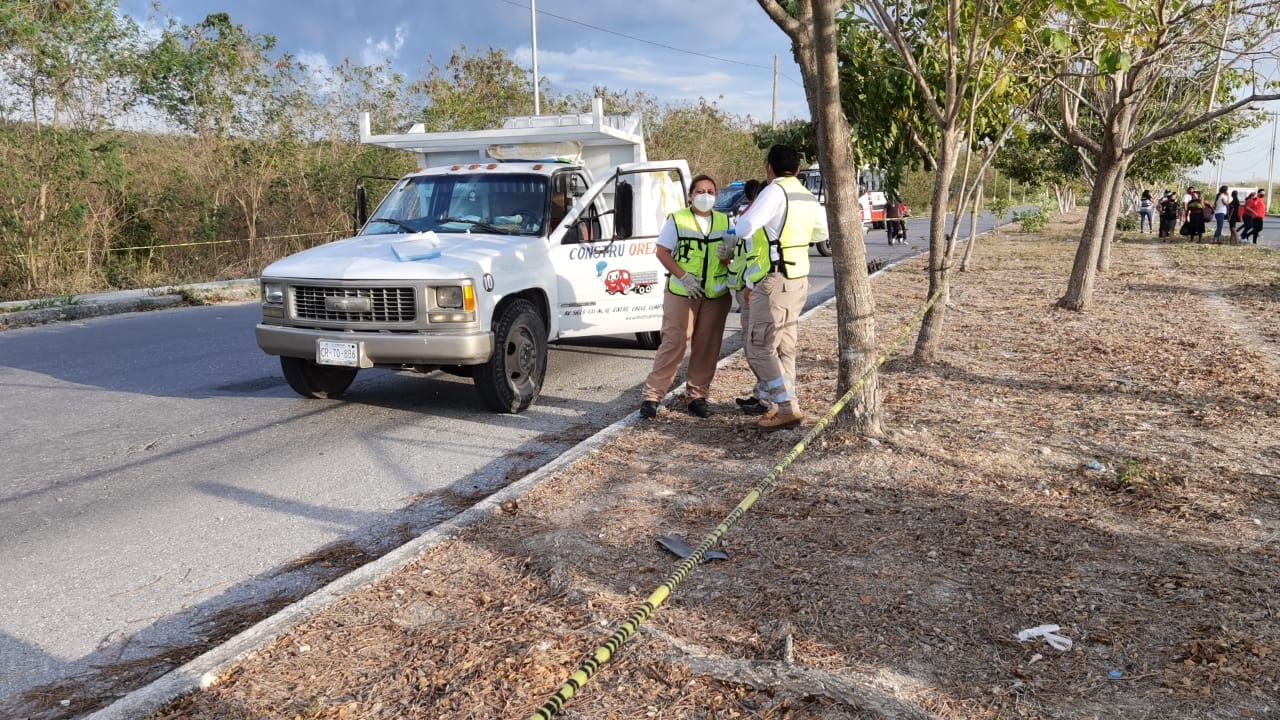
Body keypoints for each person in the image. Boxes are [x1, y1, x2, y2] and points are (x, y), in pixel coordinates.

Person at [732, 145, 828, 430]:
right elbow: (822, 232)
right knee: (785, 346)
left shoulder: (774, 192)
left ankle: (787, 406)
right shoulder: (806, 194)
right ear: (798, 170)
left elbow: (743, 228)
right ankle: (784, 404)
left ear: (768, 168)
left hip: (774, 280)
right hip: (798, 279)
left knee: (760, 347)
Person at [638, 174, 733, 420]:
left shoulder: (725, 221)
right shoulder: (678, 220)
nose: (705, 196)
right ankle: (652, 396)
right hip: (682, 293)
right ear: (690, 196)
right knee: (674, 343)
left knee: (707, 346)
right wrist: (683, 277)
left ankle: (697, 396)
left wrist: (727, 255)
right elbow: (662, 252)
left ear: (716, 195)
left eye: (710, 191)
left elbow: (729, 257)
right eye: (700, 191)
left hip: (715, 294)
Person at [719, 179, 771, 415]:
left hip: (754, 288)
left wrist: (751, 284)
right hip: (744, 287)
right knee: (753, 346)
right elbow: (740, 253)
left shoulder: (758, 221)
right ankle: (761, 394)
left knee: (758, 347)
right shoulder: (745, 218)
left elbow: (758, 258)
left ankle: (767, 398)